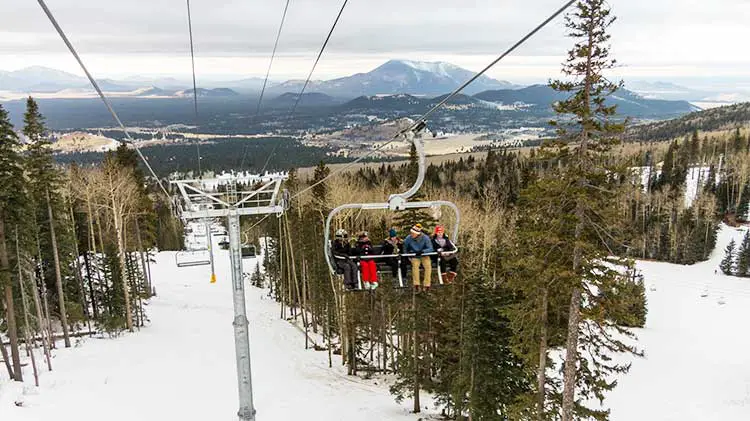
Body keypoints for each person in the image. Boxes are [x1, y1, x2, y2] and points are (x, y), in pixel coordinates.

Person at [403, 223, 434, 291]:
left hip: (424, 255)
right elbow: (405, 247)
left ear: (417, 234)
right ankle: (416, 284)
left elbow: (431, 248)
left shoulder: (425, 238)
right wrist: (408, 256)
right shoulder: (408, 238)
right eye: (411, 233)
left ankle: (427, 284)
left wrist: (423, 251)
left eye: (413, 233)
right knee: (415, 265)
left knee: (428, 266)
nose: (412, 234)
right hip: (414, 255)